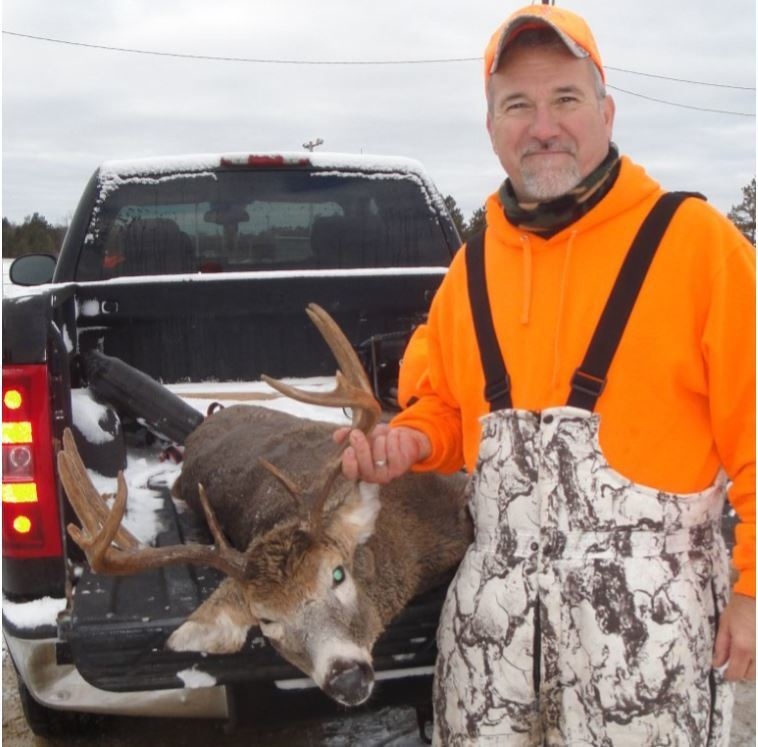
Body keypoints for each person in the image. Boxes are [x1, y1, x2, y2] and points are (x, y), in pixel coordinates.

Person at [337, 4, 755, 745]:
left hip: (648, 638)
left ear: (606, 109)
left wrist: (754, 592)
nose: (544, 125)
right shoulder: (472, 268)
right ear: (492, 126)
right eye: (518, 105)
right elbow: (442, 410)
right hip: (491, 641)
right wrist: (404, 444)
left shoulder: (696, 247)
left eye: (565, 98)